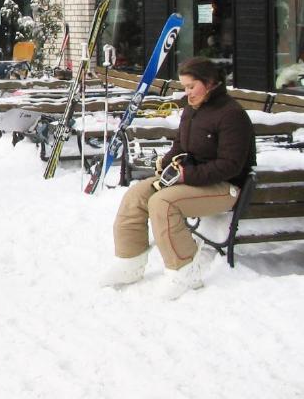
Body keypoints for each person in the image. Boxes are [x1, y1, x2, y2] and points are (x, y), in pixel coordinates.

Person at [101, 57, 256, 299]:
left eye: (191, 86)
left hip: (226, 187)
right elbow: (180, 145)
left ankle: (184, 270)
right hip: (193, 178)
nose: (187, 93)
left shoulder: (231, 115)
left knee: (163, 203)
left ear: (211, 82)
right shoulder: (192, 110)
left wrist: (187, 175)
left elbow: (230, 166)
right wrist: (165, 163)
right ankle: (129, 262)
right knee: (136, 195)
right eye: (184, 87)